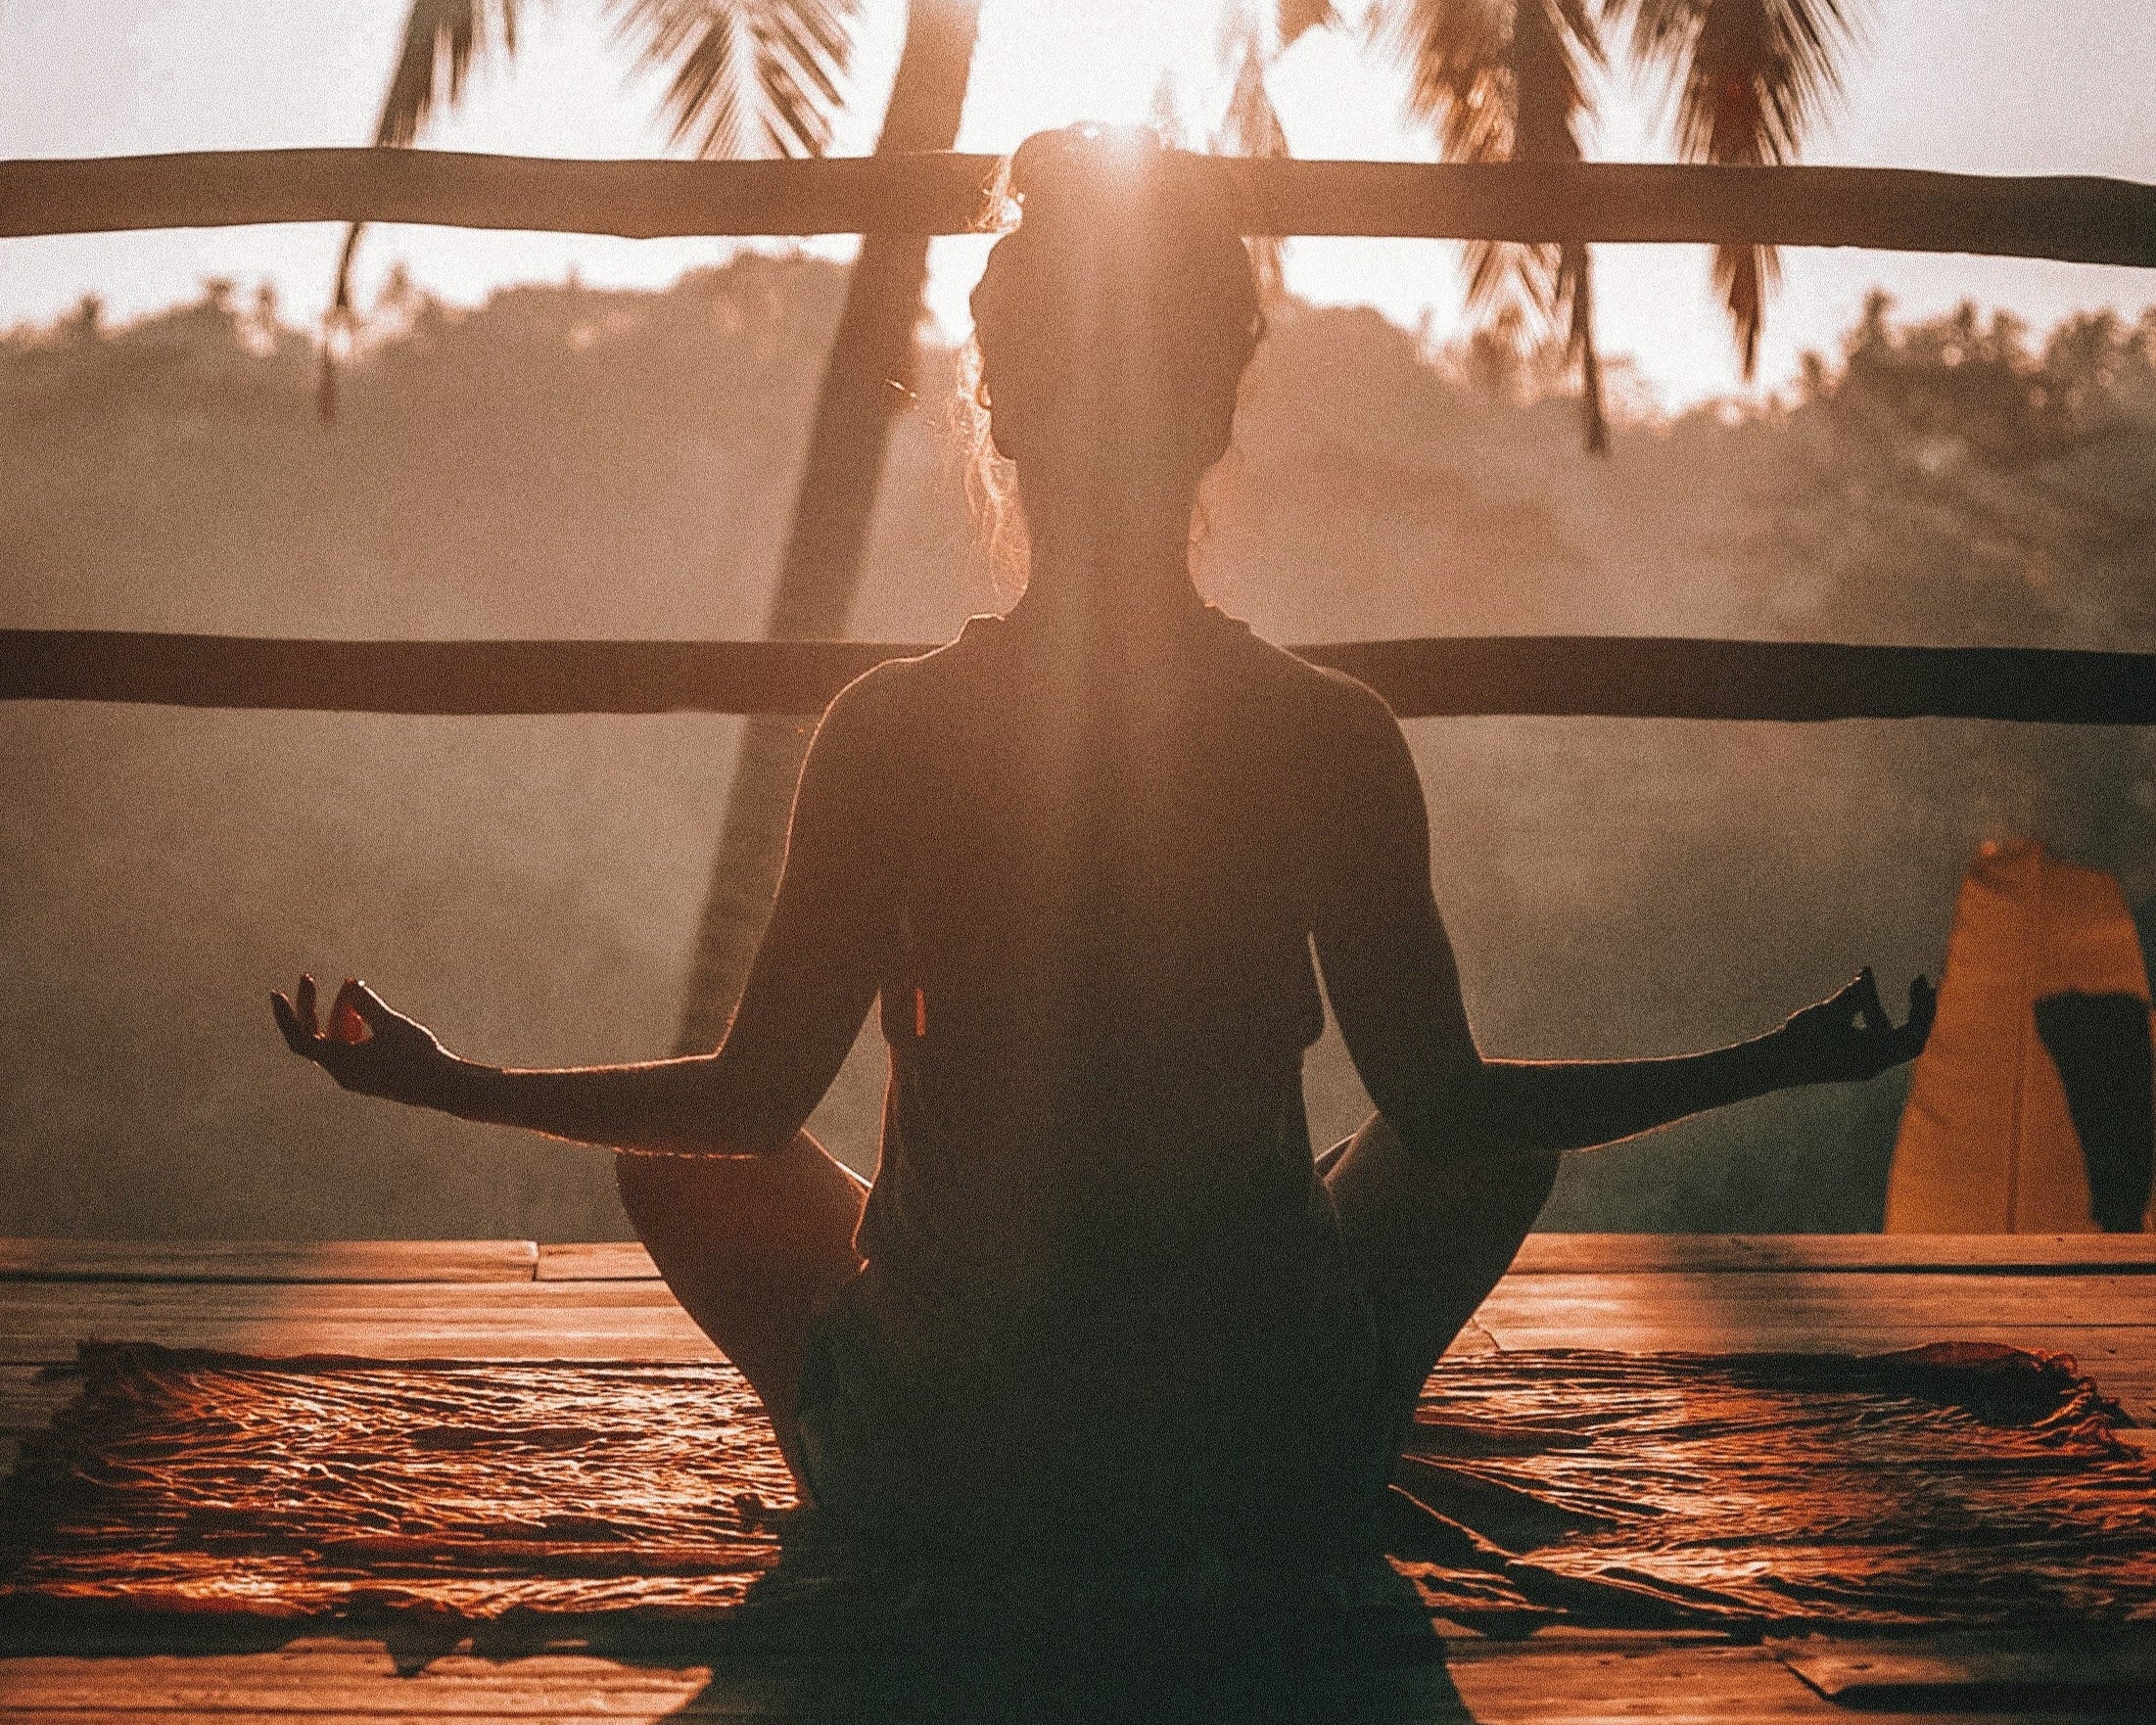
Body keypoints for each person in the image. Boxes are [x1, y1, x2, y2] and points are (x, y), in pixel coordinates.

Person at [273, 126, 1934, 1575]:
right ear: (1214, 414)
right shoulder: (1326, 731)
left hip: (957, 1467)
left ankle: (878, 1471)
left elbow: (744, 1106)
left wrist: (448, 1078)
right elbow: (1451, 1110)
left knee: (681, 1164)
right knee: (1486, 1144)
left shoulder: (891, 729)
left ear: (998, 416)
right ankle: (1326, 1443)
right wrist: (1773, 1059)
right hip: (1254, 1457)